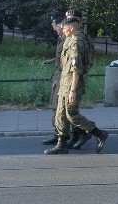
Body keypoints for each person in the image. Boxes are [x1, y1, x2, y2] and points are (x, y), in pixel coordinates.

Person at [44, 14, 108, 155]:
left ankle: (98, 133)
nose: (63, 30)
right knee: (60, 115)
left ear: (71, 28)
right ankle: (62, 144)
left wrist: (73, 90)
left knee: (71, 114)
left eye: (65, 28)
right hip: (64, 82)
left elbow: (76, 69)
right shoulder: (68, 40)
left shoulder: (76, 43)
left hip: (72, 85)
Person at [41, 12, 66, 144]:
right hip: (58, 76)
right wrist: (51, 61)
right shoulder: (61, 39)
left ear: (60, 24)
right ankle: (59, 134)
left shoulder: (68, 39)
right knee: (57, 108)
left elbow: (68, 63)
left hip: (63, 78)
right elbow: (60, 58)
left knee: (58, 108)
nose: (53, 27)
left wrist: (60, 79)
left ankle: (65, 136)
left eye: (54, 25)